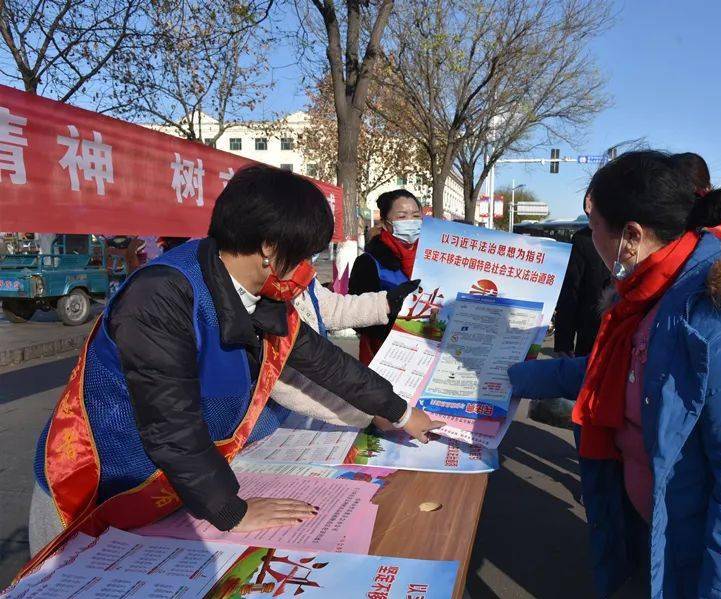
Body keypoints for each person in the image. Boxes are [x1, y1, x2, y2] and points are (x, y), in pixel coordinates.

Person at [26, 166, 443, 571]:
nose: (305, 270)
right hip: (97, 489)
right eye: (301, 255)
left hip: (175, 488)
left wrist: (399, 412)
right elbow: (170, 423)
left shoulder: (259, 291)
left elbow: (325, 362)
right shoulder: (161, 296)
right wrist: (232, 512)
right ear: (268, 247)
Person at [509, 151, 721, 598]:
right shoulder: (652, 292)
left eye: (594, 231)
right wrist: (510, 376)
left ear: (631, 235)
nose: (592, 243)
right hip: (676, 544)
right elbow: (612, 373)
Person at [274, 273, 419, 428]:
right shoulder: (266, 307)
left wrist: (386, 303)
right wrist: (372, 413)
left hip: (311, 405)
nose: (307, 268)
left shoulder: (296, 272)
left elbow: (328, 306)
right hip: (264, 418)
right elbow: (310, 373)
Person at [349, 189, 422, 364]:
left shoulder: (430, 258)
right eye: (402, 216)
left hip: (425, 356)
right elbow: (357, 318)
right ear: (385, 222)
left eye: (415, 215)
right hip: (385, 357)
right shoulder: (369, 262)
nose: (410, 221)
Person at [553, 193, 611, 357]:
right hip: (590, 338)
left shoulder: (638, 237)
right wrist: (563, 343)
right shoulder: (583, 240)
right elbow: (570, 292)